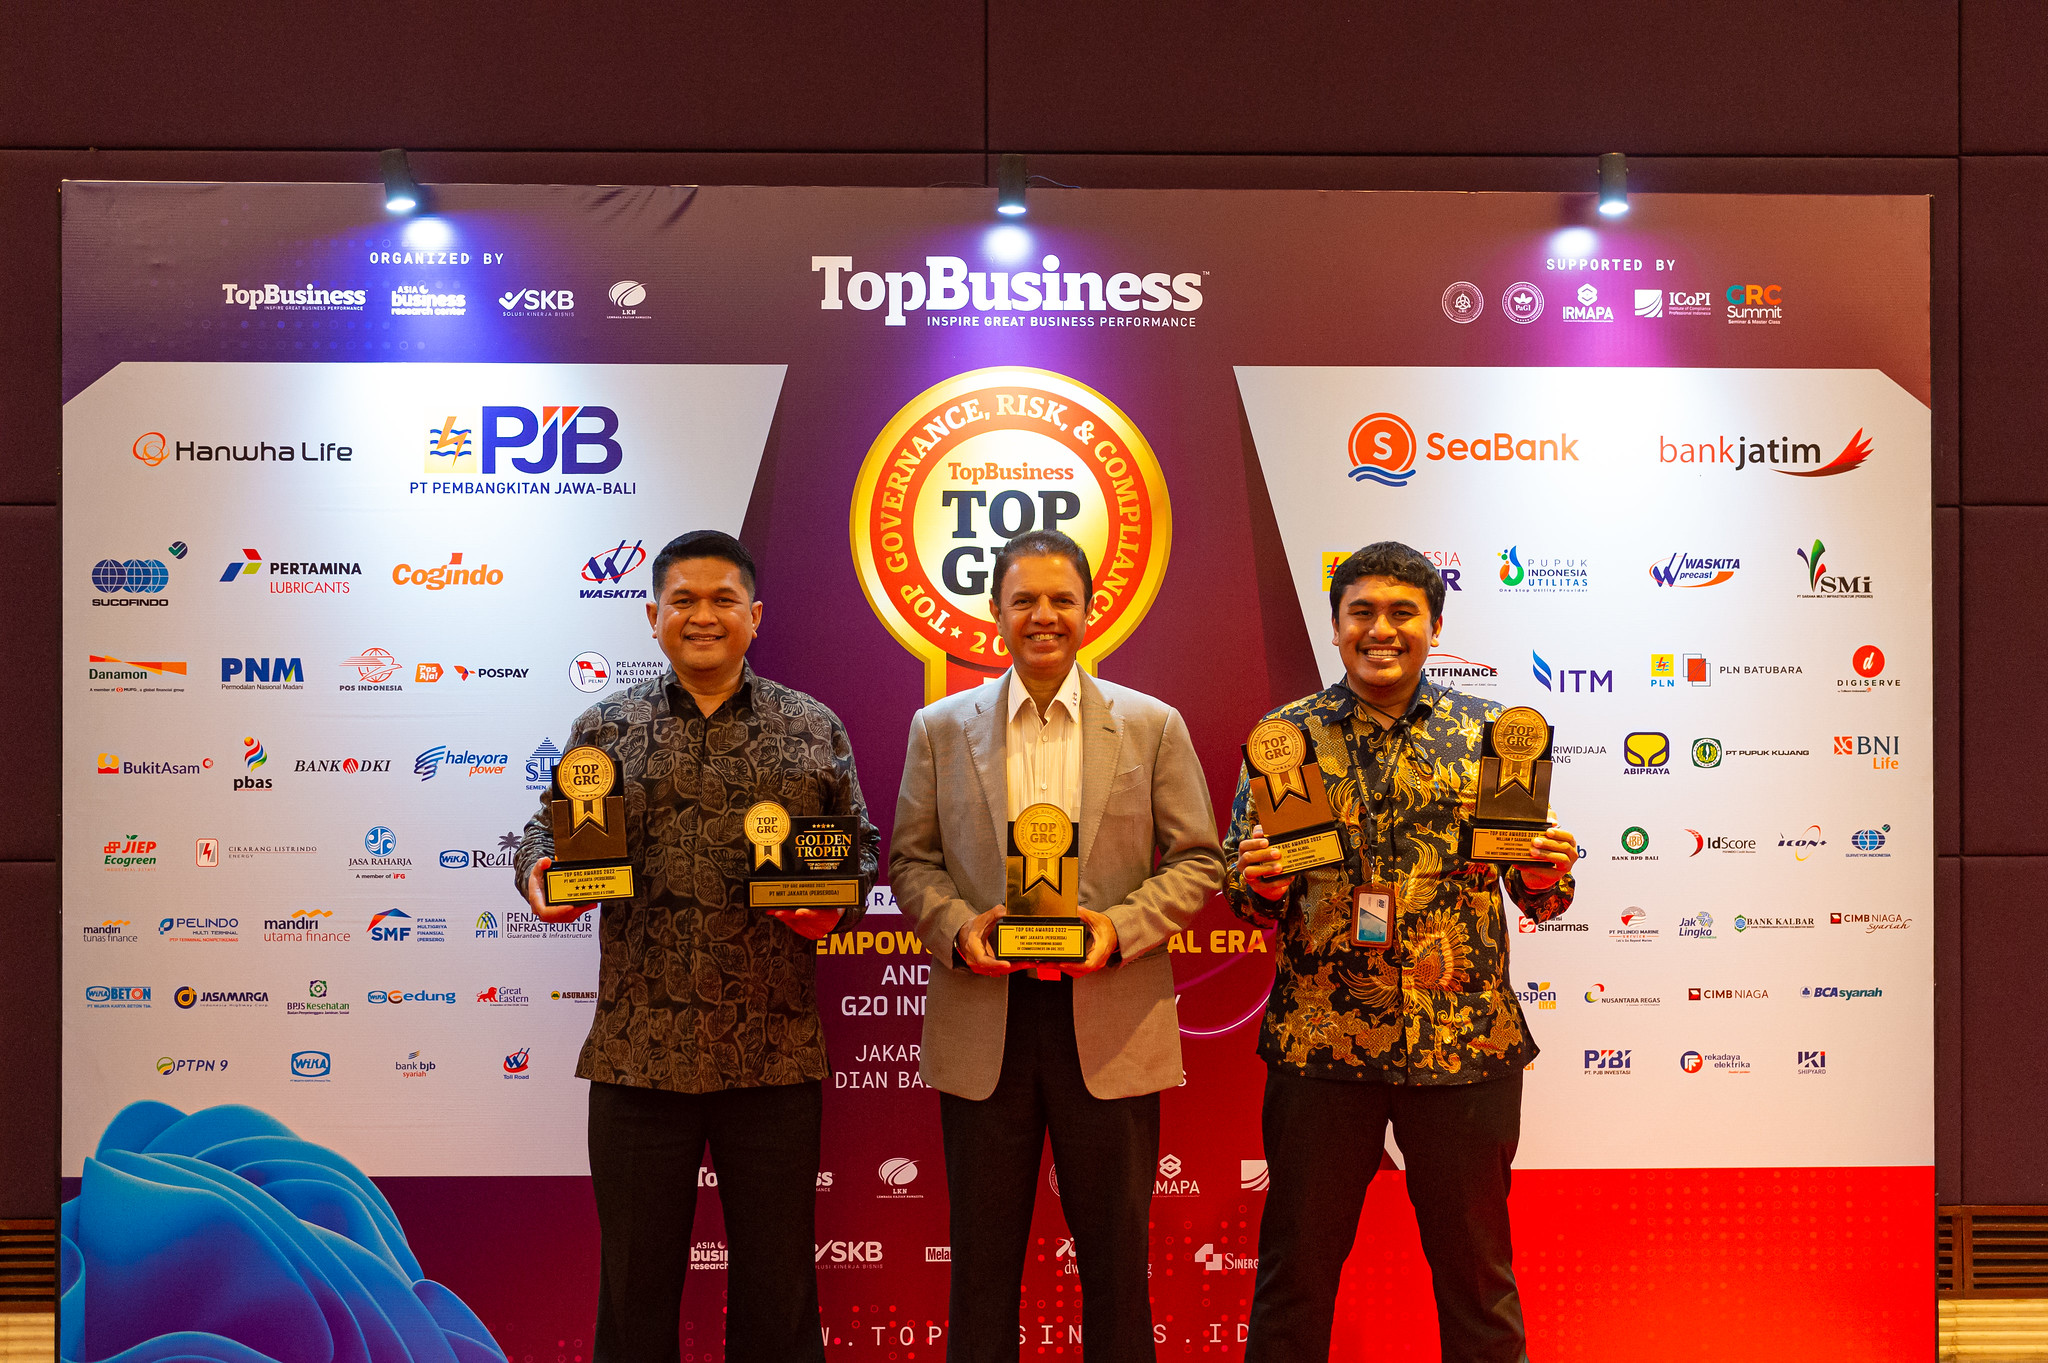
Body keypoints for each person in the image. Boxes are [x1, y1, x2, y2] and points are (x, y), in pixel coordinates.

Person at [512, 529, 878, 1363]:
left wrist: (835, 906)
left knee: (779, 1294)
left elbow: (858, 849)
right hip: (639, 1053)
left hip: (773, 1051)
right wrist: (539, 874)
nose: (703, 615)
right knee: (634, 1294)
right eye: (683, 600)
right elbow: (545, 830)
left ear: (755, 615)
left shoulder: (810, 725)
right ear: (653, 617)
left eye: (722, 600)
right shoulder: (606, 725)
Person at [1225, 541, 1579, 1363]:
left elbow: (1538, 893)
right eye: (1362, 612)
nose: (1381, 630)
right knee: (1294, 1278)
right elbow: (1245, 894)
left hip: (1463, 1045)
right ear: (1336, 626)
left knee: (1478, 1282)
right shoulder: (1285, 739)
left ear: (1435, 627)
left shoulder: (1493, 735)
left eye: (1402, 613)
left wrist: (1543, 874)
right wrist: (1260, 882)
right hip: (1320, 1045)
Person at [891, 529, 1225, 1363]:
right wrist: (958, 928)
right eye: (1024, 600)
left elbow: (1198, 859)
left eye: (1060, 599)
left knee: (1116, 1266)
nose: (1043, 615)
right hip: (986, 1021)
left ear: (1090, 609)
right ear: (995, 611)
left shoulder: (1151, 724)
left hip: (1110, 1019)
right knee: (981, 1269)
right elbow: (910, 861)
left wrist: (1119, 928)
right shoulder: (939, 727)